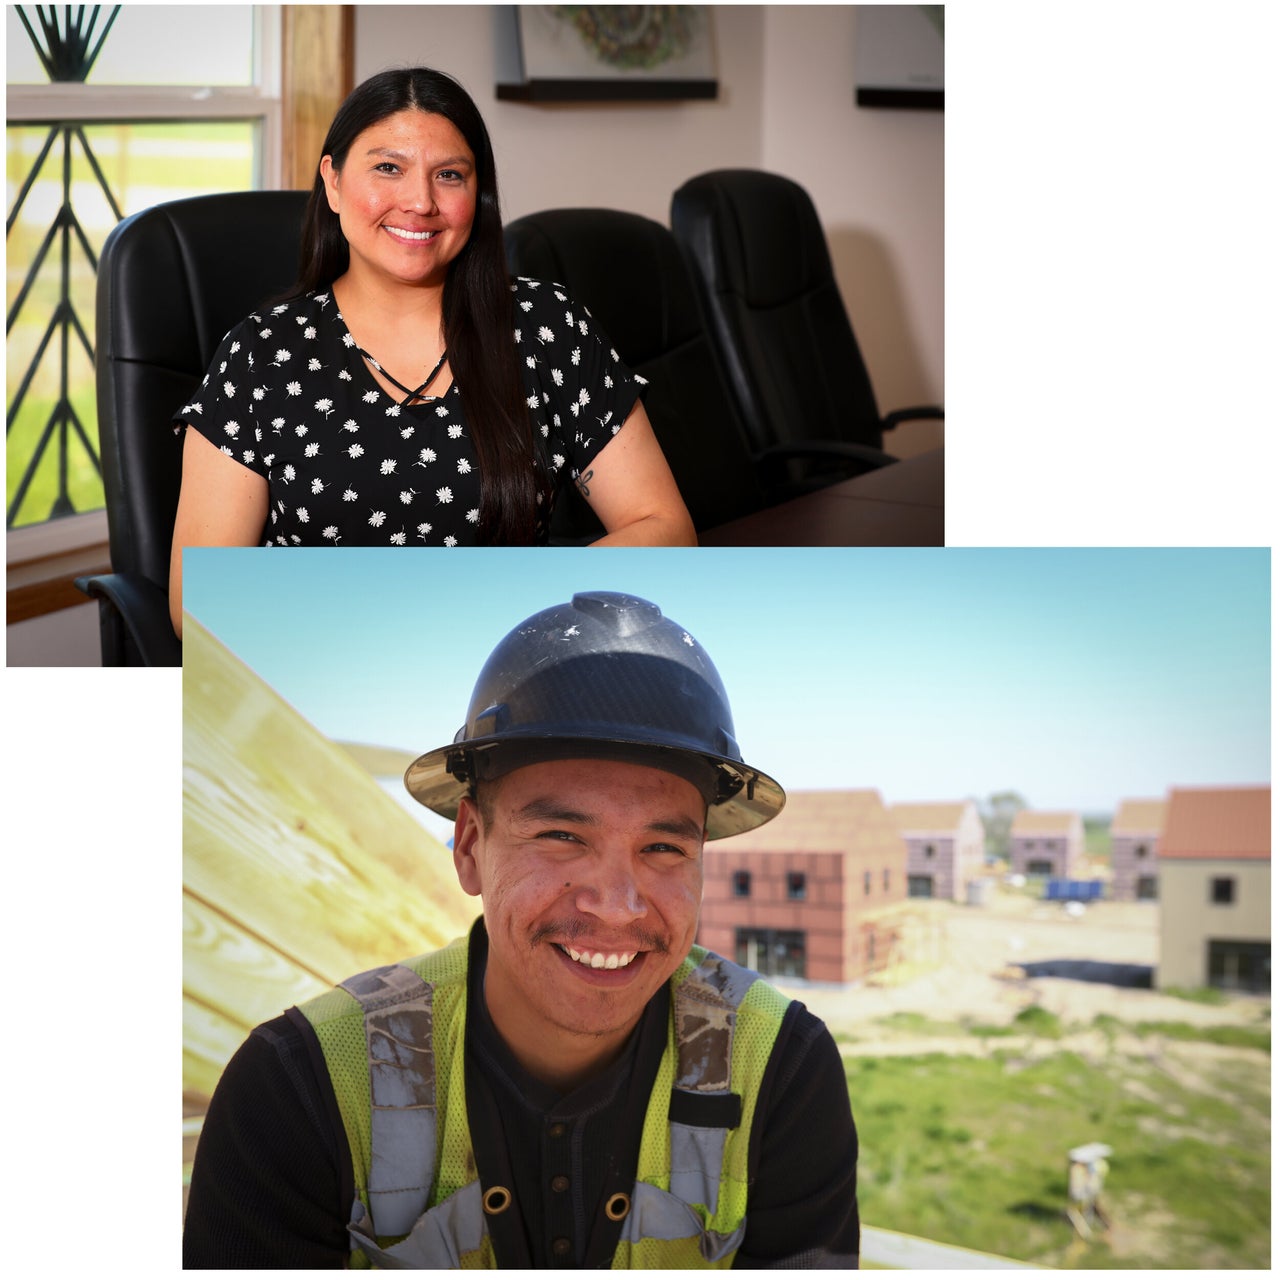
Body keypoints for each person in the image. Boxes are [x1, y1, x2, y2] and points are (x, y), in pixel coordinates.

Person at [182, 590, 859, 1268]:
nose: (618, 906)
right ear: (471, 846)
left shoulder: (777, 1066)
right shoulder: (302, 1088)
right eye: (562, 836)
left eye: (663, 848)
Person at [167, 68, 695, 635]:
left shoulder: (547, 326)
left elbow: (663, 527)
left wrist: (523, 599)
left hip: (508, 652)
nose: (420, 201)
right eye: (388, 168)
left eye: (449, 175)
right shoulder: (264, 354)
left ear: (478, 192)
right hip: (322, 665)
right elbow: (195, 600)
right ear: (334, 181)